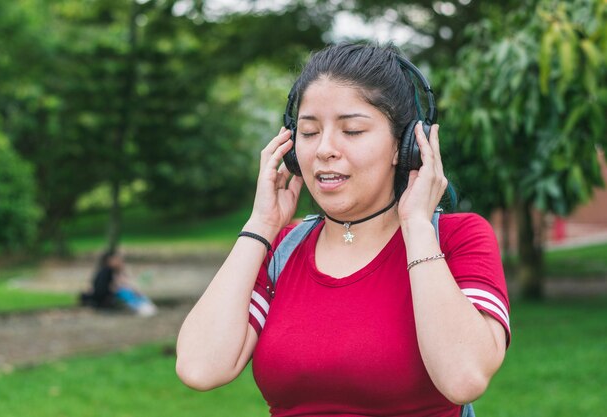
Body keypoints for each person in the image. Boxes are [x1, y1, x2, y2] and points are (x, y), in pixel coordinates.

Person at [176, 42, 510, 417]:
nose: (324, 149)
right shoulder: (282, 251)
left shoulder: (457, 238)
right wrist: (261, 225)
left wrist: (416, 225)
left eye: (351, 130)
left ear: (406, 145)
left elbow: (464, 378)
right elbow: (200, 367)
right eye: (308, 132)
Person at [80, 249, 157, 317]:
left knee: (131, 292)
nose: (121, 261)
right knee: (125, 292)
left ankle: (143, 305)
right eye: (118, 259)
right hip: (108, 299)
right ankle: (140, 307)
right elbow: (111, 287)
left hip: (111, 297)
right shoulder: (107, 272)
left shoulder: (112, 271)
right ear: (109, 261)